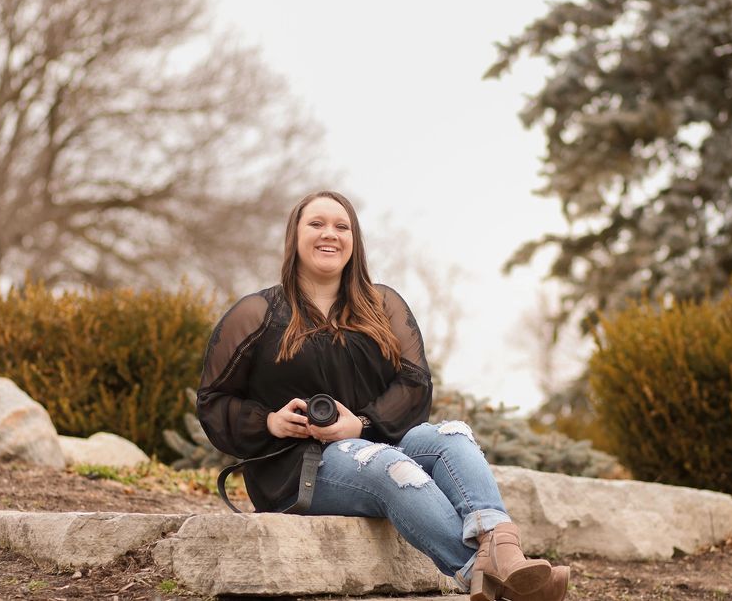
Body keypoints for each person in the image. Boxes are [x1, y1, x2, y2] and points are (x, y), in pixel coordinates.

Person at [196, 191, 570, 601]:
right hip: (297, 466)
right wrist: (269, 421)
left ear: (354, 240)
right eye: (316, 224)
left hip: (376, 438)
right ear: (294, 236)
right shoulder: (257, 313)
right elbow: (213, 400)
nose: (330, 234)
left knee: (451, 437)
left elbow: (415, 384)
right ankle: (481, 571)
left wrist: (360, 424)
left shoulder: (382, 305)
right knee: (391, 464)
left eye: (342, 226)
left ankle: (503, 553)